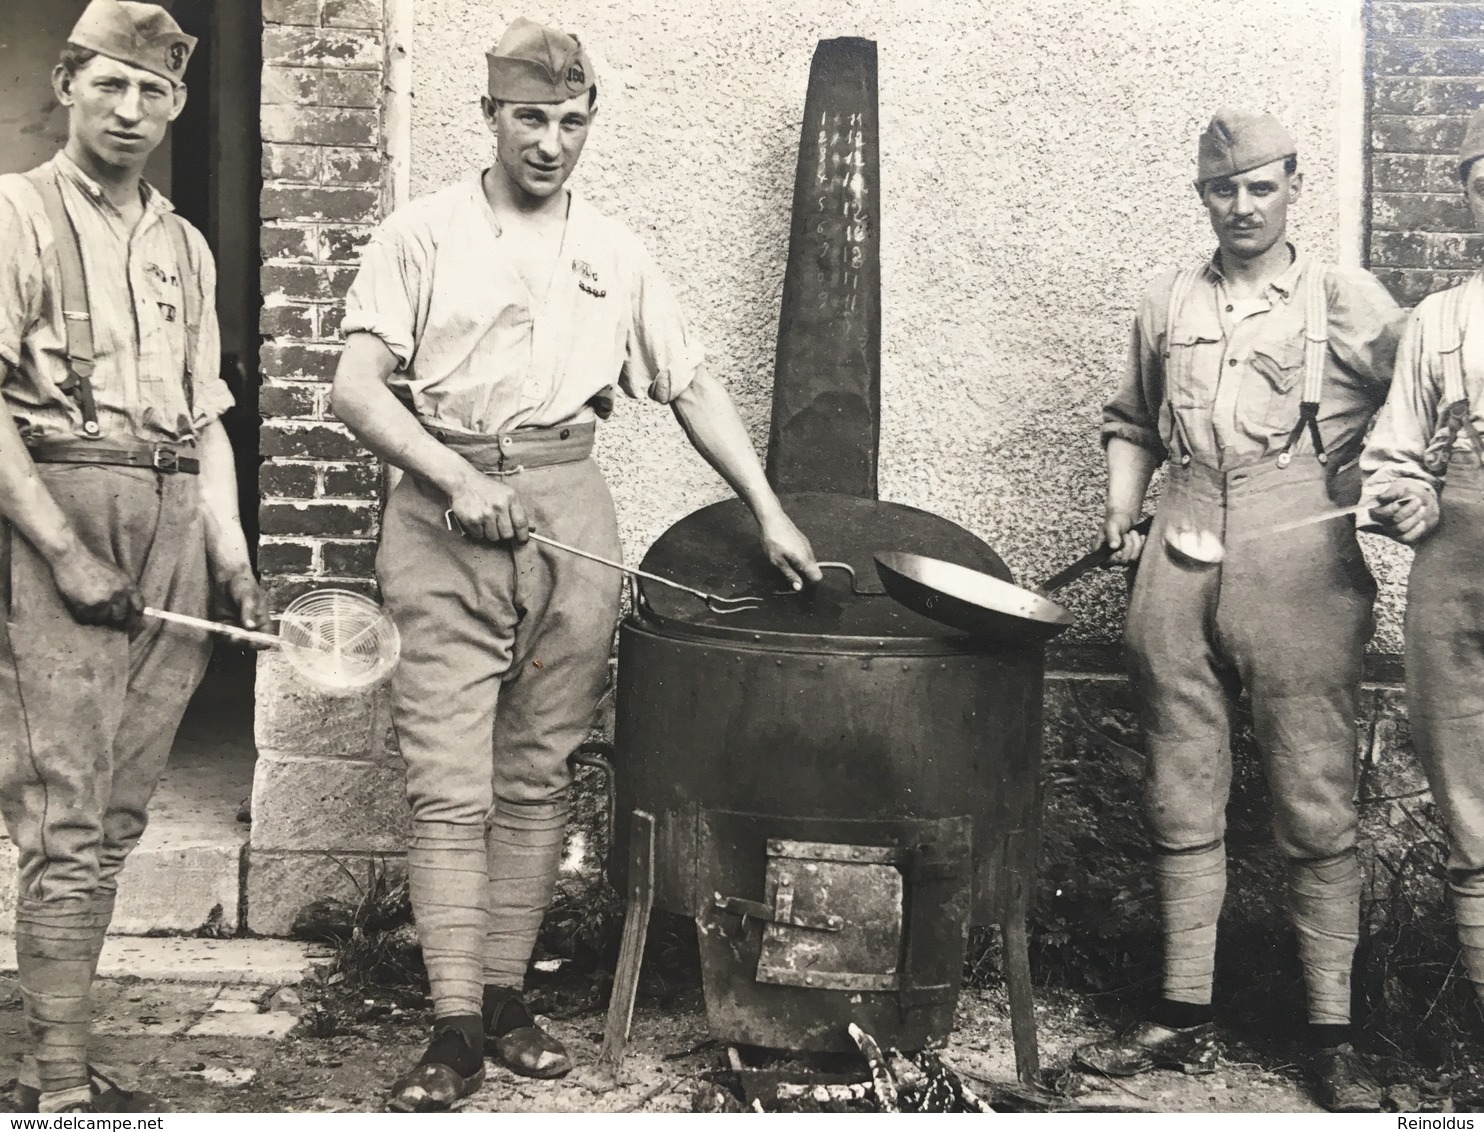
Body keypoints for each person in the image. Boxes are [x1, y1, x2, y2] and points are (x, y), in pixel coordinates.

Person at [330, 16, 820, 1112]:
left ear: (586, 123)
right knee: (449, 783)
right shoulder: (421, 234)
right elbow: (357, 392)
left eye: (570, 122)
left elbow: (687, 383)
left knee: (537, 772)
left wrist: (768, 509)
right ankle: (452, 1023)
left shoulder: (615, 250)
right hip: (444, 515)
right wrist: (454, 478)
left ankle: (506, 1001)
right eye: (528, 119)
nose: (549, 143)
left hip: (568, 518)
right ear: (490, 117)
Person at [1075, 109, 1405, 1111]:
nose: (1242, 206)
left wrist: (1391, 480)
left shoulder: (1343, 299)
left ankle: (1330, 1035)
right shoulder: (1167, 298)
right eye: (1223, 190)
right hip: (1177, 544)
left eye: (1260, 187)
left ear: (1292, 186)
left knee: (1312, 792)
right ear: (1202, 196)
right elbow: (1130, 419)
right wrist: (1122, 509)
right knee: (1178, 788)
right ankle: (1181, 1019)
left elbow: (1422, 401)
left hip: (1297, 544)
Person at [0, 0, 266, 1114]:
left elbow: (206, 421)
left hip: (170, 522)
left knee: (118, 810)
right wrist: (62, 550)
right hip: (64, 502)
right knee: (62, 808)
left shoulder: (185, 244)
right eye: (109, 83)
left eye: (153, 90)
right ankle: (59, 1079)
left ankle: (56, 1045)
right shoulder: (13, 213)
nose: (131, 108)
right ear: (66, 84)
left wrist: (234, 556)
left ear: (176, 105)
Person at [1360, 106, 1484, 1023]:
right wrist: (1410, 495)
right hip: (1461, 565)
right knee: (1467, 783)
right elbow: (1396, 453)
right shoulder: (1441, 320)